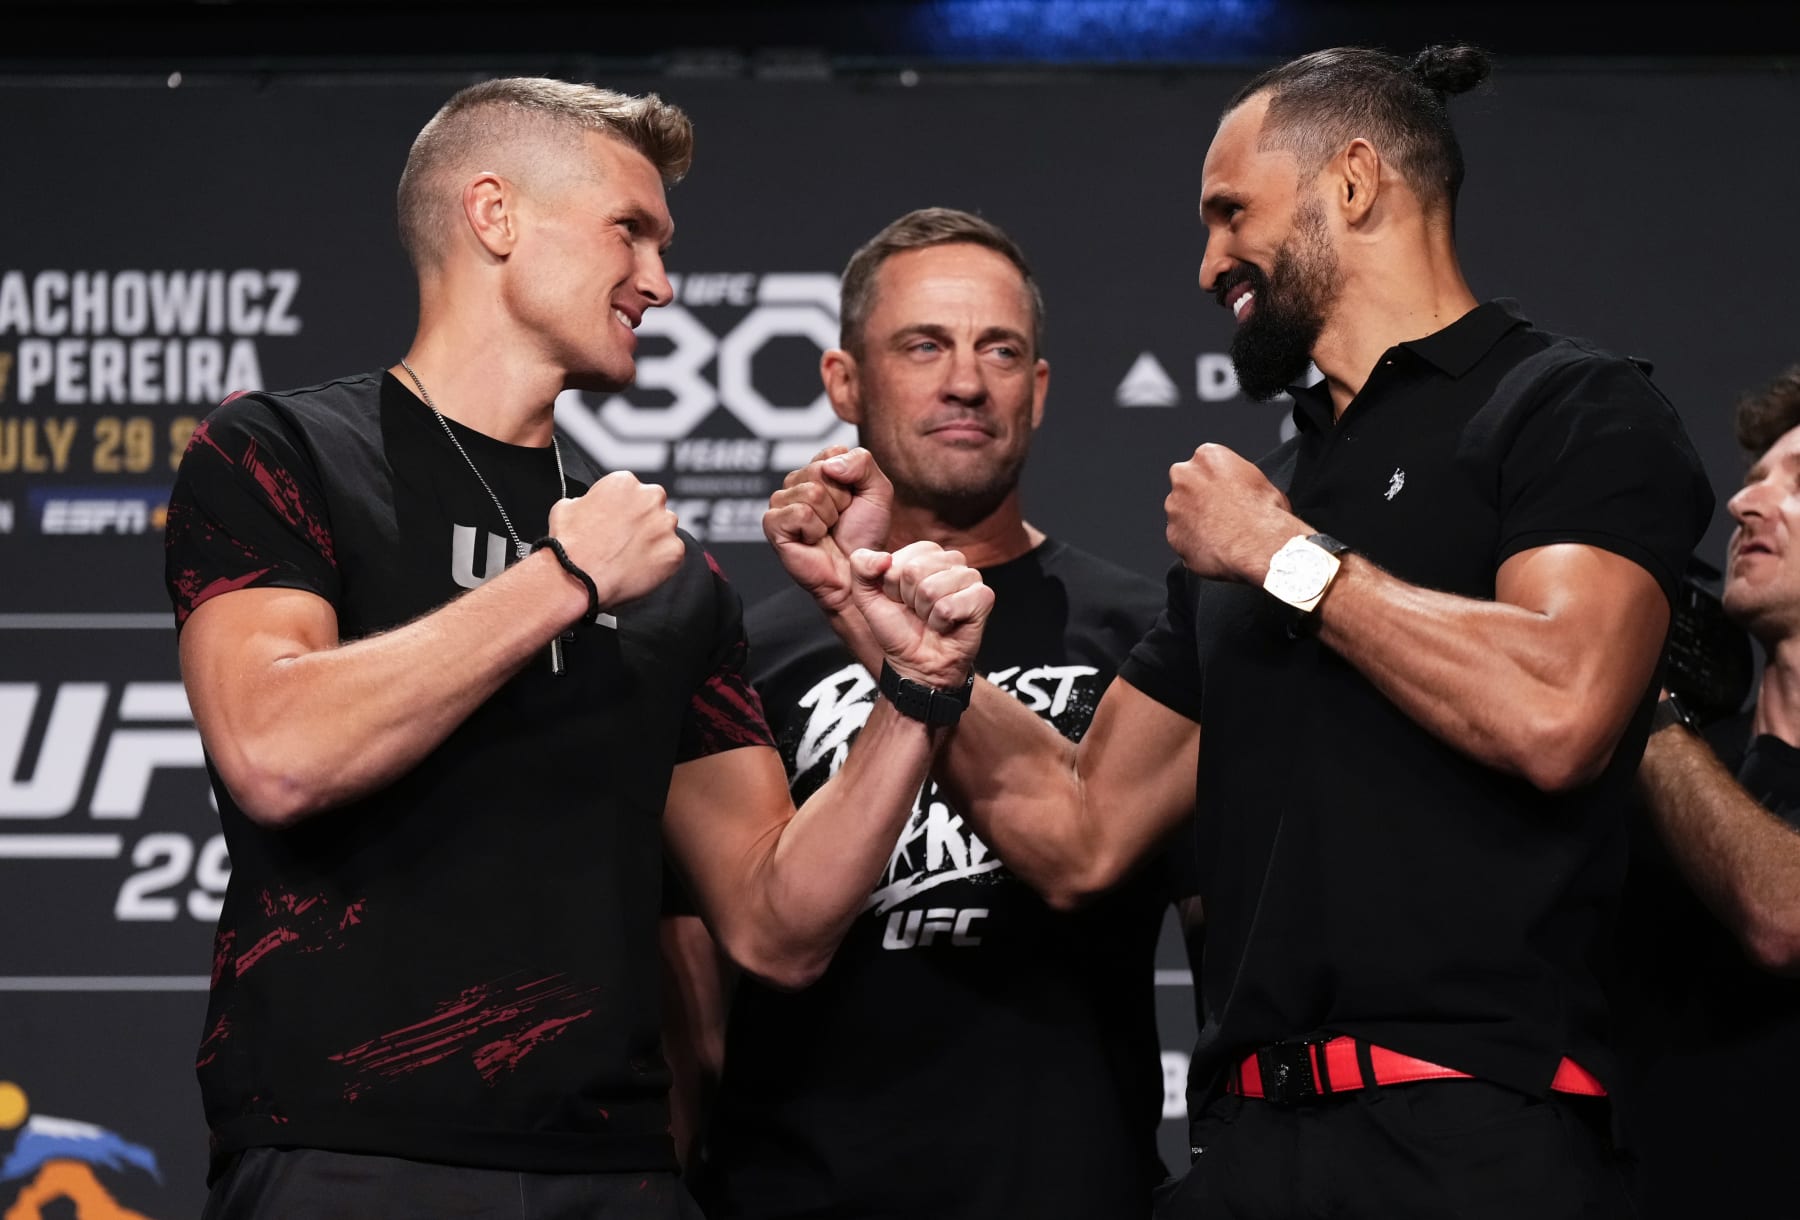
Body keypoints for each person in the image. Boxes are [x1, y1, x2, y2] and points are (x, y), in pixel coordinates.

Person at [768, 44, 1713, 1218]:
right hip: (1248, 1151)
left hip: (1476, 1137)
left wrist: (1285, 560)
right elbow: (1079, 829)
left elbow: (1562, 704)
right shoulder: (1270, 491)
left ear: (1354, 182)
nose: (1211, 260)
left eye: (1231, 213)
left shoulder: (1562, 406)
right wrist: (869, 613)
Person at [161, 77, 992, 1219]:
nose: (660, 279)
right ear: (494, 216)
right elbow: (275, 747)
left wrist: (919, 694)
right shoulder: (286, 452)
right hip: (350, 1155)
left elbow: (775, 922)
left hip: (615, 1172)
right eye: (630, 230)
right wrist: (560, 581)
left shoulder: (668, 574)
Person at [661, 207, 1182, 1219]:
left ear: (1037, 389)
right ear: (842, 380)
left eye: (1001, 349)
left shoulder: (1152, 636)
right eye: (924, 344)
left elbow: (1223, 937)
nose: (965, 380)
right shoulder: (743, 656)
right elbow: (691, 1002)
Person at [1618, 365, 1800, 1219]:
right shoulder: (1678, 765)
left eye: (1796, 484)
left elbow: (1783, 915)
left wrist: (1638, 701)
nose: (1743, 506)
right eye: (1753, 479)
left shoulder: (1660, 748)